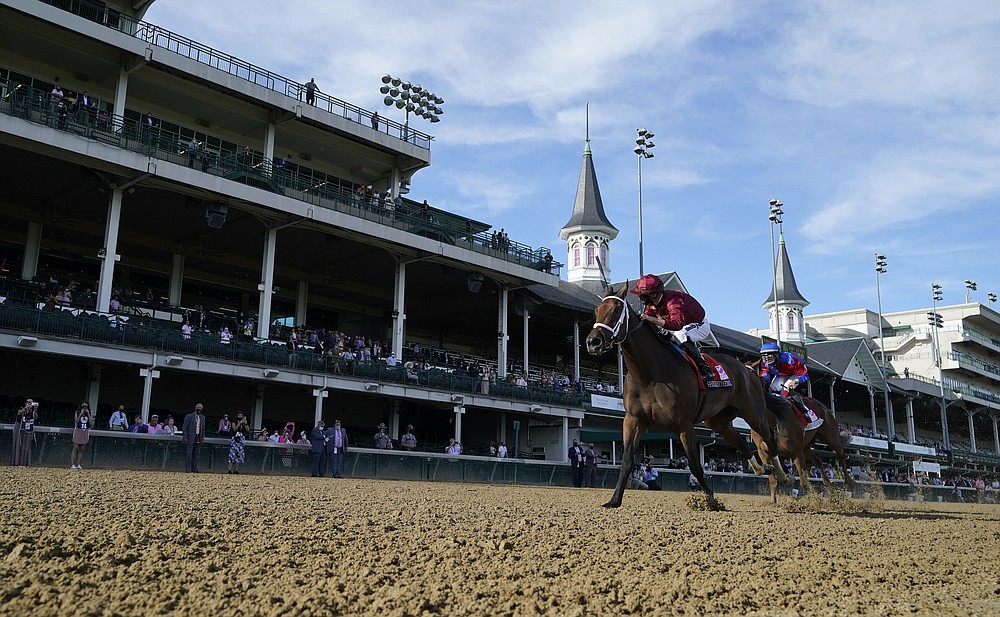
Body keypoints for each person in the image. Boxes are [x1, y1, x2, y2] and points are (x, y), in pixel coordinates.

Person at [630, 274, 715, 380]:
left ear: (655, 294)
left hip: (699, 325)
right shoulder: (651, 305)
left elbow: (677, 324)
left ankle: (703, 366)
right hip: (677, 326)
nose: (640, 298)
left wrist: (651, 319)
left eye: (643, 296)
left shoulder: (673, 300)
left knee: (680, 334)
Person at [758, 342, 823, 430]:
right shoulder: (764, 362)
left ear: (777, 355)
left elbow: (805, 374)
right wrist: (763, 380)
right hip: (782, 374)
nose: (767, 360)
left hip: (797, 374)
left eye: (769, 357)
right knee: (773, 387)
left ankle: (806, 412)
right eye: (764, 357)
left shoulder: (791, 360)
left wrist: (796, 381)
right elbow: (766, 372)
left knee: (786, 387)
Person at [12, 399, 39, 466]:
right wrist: (26, 408)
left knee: (26, 445)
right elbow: (19, 413)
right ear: (25, 403)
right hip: (19, 428)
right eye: (28, 402)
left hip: (28, 429)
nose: (30, 404)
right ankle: (16, 462)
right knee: (18, 444)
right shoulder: (22, 408)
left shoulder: (32, 411)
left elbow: (35, 417)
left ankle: (25, 462)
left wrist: (35, 410)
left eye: (31, 403)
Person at [181, 403, 207, 473]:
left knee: (197, 454)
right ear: (195, 408)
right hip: (190, 437)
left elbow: (203, 428)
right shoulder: (189, 416)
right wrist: (185, 437)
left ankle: (195, 468)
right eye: (199, 407)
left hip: (198, 437)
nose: (200, 409)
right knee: (189, 454)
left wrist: (203, 437)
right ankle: (187, 469)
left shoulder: (202, 417)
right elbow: (184, 428)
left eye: (201, 408)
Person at [70, 402, 93, 469]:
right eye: (83, 406)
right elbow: (76, 421)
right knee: (75, 448)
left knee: (81, 449)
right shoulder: (77, 412)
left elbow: (91, 422)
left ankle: (78, 463)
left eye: (86, 406)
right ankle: (72, 464)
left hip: (85, 431)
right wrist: (80, 414)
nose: (84, 407)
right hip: (78, 430)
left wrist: (88, 413)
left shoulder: (90, 412)